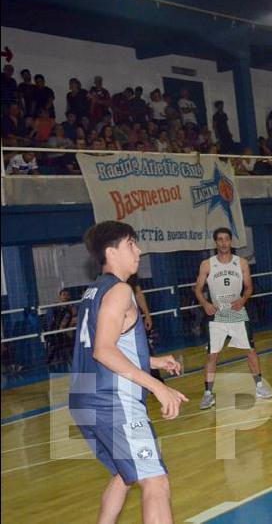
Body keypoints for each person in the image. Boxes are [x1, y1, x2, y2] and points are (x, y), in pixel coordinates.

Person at [69, 221, 187, 524]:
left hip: (85, 400)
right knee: (156, 483)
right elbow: (104, 351)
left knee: (125, 474)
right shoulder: (120, 290)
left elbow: (107, 348)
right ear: (112, 251)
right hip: (113, 402)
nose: (139, 250)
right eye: (131, 244)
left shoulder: (93, 291)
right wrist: (158, 387)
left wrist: (156, 362)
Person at [194, 228, 272, 410]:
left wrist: (243, 299)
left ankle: (260, 387)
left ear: (231, 242)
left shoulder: (242, 263)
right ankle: (208, 394)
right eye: (220, 240)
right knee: (212, 355)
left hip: (237, 313)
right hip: (217, 315)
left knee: (250, 351)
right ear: (216, 243)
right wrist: (205, 304)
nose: (223, 243)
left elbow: (249, 287)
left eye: (226, 239)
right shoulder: (207, 264)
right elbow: (197, 289)